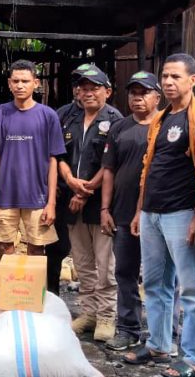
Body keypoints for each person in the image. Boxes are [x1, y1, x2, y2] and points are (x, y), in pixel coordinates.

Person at [124, 53, 195, 377]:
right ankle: (159, 344)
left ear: (192, 80)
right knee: (154, 283)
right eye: (165, 76)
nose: (168, 82)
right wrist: (140, 210)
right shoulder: (161, 118)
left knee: (192, 288)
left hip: (182, 213)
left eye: (175, 77)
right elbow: (147, 170)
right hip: (152, 212)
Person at [57, 68, 121, 342]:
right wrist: (70, 180)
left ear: (107, 90)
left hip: (100, 204)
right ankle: (89, 313)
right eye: (83, 88)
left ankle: (107, 316)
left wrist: (85, 190)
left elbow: (111, 164)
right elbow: (59, 155)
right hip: (73, 202)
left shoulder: (115, 120)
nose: (88, 92)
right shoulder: (70, 119)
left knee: (105, 264)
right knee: (83, 262)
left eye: (94, 87)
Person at [101, 71, 161, 352]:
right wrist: (105, 208)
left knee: (158, 277)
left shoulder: (166, 126)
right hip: (122, 213)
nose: (137, 98)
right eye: (133, 92)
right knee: (124, 274)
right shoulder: (119, 128)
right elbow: (109, 170)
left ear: (157, 97)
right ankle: (127, 329)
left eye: (144, 92)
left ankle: (163, 335)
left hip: (159, 215)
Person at [0, 60, 65, 268]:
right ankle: (1, 299)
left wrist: (51, 202)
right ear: (9, 84)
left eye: (25, 81)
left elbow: (53, 160)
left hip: (38, 197)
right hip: (4, 196)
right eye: (16, 81)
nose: (20, 85)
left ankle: (33, 299)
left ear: (35, 83)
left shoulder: (48, 116)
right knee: (3, 250)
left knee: (37, 250)